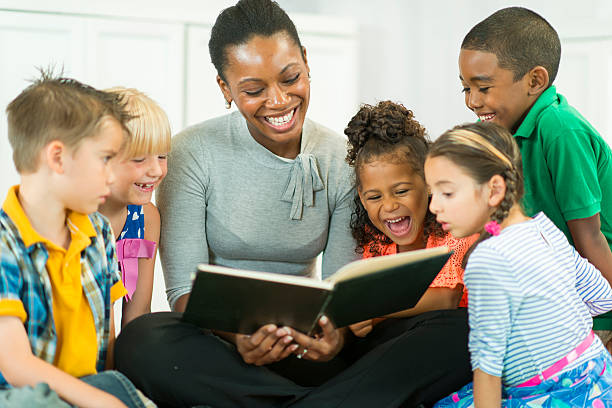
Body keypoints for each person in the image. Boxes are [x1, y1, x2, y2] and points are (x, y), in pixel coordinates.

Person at [114, 1, 460, 407]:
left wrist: (336, 337)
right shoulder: (190, 152)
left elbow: (343, 285)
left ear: (306, 63)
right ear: (225, 89)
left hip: (313, 346)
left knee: (455, 330)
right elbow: (183, 290)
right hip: (225, 348)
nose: (278, 101)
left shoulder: (340, 159)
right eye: (253, 90)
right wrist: (238, 336)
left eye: (290, 78)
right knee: (142, 339)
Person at [425, 122, 612, 407]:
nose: (433, 206)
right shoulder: (544, 230)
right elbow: (602, 296)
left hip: (553, 395)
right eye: (432, 193)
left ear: (494, 190)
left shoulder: (487, 259)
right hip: (598, 377)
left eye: (447, 193)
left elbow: (487, 368)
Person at [457, 6, 612, 341]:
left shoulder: (560, 129)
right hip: (556, 292)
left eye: (483, 88)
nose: (472, 101)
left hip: (596, 294)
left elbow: (591, 238)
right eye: (466, 89)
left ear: (535, 81)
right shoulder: (505, 133)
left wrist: (604, 324)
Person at [0, 72, 154, 407]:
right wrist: (103, 402)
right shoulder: (4, 244)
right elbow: (14, 365)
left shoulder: (96, 231)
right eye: (105, 159)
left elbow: (108, 335)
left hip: (88, 386)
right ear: (57, 157)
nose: (113, 176)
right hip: (19, 395)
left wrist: (114, 393)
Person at [99, 87, 170, 328]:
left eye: (162, 156)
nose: (156, 171)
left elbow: (137, 318)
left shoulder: (146, 218)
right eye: (140, 159)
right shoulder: (79, 216)